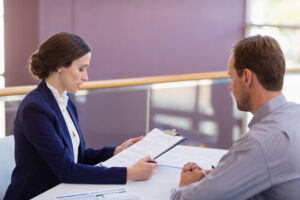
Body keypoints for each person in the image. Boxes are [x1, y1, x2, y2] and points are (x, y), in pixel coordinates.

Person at [4, 32, 158, 200]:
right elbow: (66, 170)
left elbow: (77, 157)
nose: (86, 77)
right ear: (59, 65)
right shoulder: (35, 108)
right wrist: (129, 173)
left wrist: (115, 151)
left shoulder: (66, 102)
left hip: (62, 192)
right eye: (81, 69)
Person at [170, 35, 300, 200]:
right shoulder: (296, 115)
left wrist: (184, 187)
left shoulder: (258, 143)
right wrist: (223, 175)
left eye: (231, 78)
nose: (230, 87)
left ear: (246, 77)